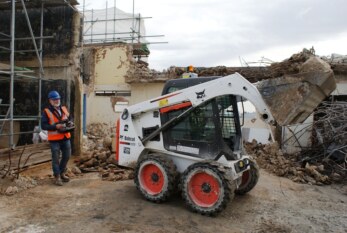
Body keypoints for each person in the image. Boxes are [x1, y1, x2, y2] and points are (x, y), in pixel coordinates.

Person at [41, 90, 72, 186]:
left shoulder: (63, 108)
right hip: (54, 139)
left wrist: (70, 122)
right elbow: (44, 126)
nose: (56, 101)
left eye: (58, 99)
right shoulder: (46, 111)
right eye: (54, 99)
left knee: (67, 156)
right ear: (50, 100)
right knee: (56, 158)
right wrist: (55, 127)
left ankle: (62, 172)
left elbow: (70, 117)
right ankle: (57, 176)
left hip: (65, 136)